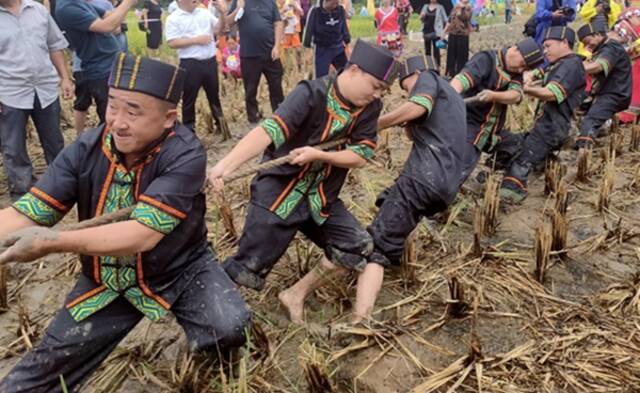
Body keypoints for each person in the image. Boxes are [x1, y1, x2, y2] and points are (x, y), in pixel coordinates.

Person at [0, 55, 251, 393]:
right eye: (113, 107)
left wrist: (51, 243)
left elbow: (141, 234)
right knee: (33, 377)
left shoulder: (186, 153)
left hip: (181, 268)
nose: (117, 122)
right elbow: (28, 212)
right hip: (106, 278)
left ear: (168, 119)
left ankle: (214, 361)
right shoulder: (85, 150)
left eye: (133, 112)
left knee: (230, 327)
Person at [278, 56, 467, 324]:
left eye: (404, 87)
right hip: (446, 187)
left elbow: (416, 107)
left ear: (414, 74)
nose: (406, 92)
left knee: (372, 247)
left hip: (423, 180)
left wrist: (375, 124)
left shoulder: (427, 79)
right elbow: (419, 131)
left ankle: (343, 314)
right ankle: (392, 250)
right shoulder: (454, 98)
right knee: (390, 209)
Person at [208, 40, 398, 293]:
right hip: (280, 192)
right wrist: (226, 164)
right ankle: (213, 302)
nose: (376, 95)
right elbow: (270, 130)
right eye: (376, 87)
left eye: (383, 91)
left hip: (321, 197)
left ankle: (294, 295)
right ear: (354, 70)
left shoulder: (370, 108)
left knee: (356, 245)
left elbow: (361, 154)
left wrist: (320, 156)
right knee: (247, 267)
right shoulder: (311, 93)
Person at [500, 27, 586, 203]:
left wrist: (526, 89)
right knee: (511, 143)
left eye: (548, 46)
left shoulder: (571, 65)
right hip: (546, 124)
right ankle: (549, 165)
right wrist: (532, 74)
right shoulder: (562, 63)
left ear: (564, 43)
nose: (545, 51)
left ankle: (511, 194)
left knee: (523, 160)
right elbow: (544, 72)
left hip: (554, 126)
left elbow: (553, 93)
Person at [0, 0, 71, 202]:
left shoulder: (37, 10)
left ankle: (61, 185)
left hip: (45, 87)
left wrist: (64, 77)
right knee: (13, 147)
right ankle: (22, 193)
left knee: (54, 140)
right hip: (9, 91)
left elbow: (54, 46)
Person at [450, 38, 546, 182]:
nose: (521, 70)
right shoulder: (486, 59)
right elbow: (462, 79)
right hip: (470, 126)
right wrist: (451, 96)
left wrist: (493, 95)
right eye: (522, 65)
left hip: (493, 132)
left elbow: (515, 95)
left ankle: (488, 171)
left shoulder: (515, 74)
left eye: (524, 69)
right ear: (515, 49)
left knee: (520, 144)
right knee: (460, 168)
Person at [56, 0, 137, 124]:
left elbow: (109, 16)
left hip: (110, 65)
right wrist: (127, 3)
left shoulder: (79, 3)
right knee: (110, 119)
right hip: (100, 70)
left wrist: (123, 7)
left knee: (119, 113)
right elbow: (106, 26)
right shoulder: (67, 7)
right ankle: (107, 142)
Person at [166, 0, 227, 133]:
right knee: (189, 98)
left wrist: (222, 14)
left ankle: (221, 126)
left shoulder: (205, 13)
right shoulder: (173, 18)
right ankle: (189, 130)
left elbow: (218, 29)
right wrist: (196, 40)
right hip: (190, 64)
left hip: (210, 62)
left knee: (214, 95)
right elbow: (172, 42)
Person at [226, 0, 285, 126]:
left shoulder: (270, 2)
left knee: (276, 86)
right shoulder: (239, 1)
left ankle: (280, 116)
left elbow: (278, 23)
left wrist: (276, 46)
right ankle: (253, 118)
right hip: (249, 55)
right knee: (250, 90)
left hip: (270, 52)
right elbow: (228, 22)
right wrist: (238, 9)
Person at [575, 21, 631, 149]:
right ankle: (601, 129)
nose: (587, 47)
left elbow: (599, 66)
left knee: (590, 120)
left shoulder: (611, 48)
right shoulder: (602, 49)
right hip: (604, 92)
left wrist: (575, 67)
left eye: (588, 42)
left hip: (615, 94)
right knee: (577, 108)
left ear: (597, 35)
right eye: (584, 44)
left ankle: (583, 150)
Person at [303, 0, 351, 78]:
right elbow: (308, 32)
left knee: (346, 74)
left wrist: (348, 45)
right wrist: (308, 51)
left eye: (337, 3)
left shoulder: (340, 10)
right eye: (334, 3)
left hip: (338, 49)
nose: (336, 5)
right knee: (321, 79)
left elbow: (344, 29)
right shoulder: (315, 11)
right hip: (322, 50)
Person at [445, 0, 473, 77]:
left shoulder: (469, 7)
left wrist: (461, 10)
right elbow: (450, 19)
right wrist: (445, 31)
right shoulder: (455, 7)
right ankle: (450, 73)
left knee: (462, 55)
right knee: (451, 54)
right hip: (452, 33)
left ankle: (461, 73)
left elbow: (466, 18)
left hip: (463, 34)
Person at [421, 0, 448, 68]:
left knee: (436, 50)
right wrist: (422, 16)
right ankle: (428, 65)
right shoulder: (425, 6)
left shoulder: (440, 7)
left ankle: (437, 66)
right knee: (427, 50)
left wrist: (444, 32)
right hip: (426, 31)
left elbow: (446, 20)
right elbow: (422, 20)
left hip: (436, 32)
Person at [280, 0, 304, 67]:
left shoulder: (295, 2)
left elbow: (302, 13)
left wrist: (294, 6)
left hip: (294, 29)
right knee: (285, 51)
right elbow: (277, 14)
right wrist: (283, 10)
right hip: (285, 30)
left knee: (298, 50)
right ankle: (285, 67)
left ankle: (299, 66)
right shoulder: (281, 2)